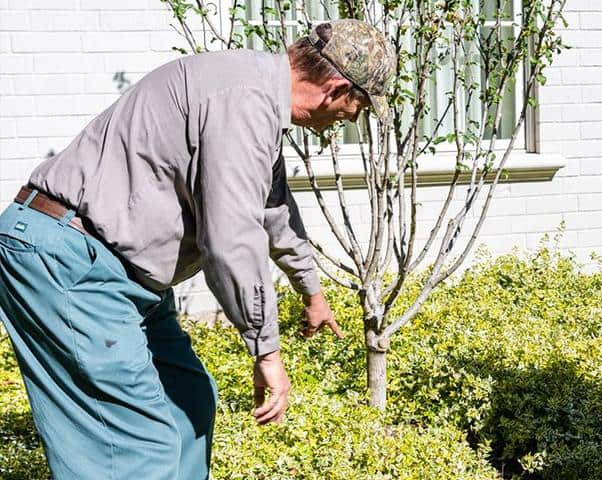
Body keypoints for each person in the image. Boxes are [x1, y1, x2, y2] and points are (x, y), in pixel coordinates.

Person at [0, 19, 394, 480]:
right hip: (68, 260)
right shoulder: (243, 102)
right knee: (137, 447)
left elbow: (272, 208)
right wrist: (266, 352)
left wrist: (311, 292)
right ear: (336, 87)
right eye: (359, 105)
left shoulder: (258, 99)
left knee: (188, 403)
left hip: (119, 274)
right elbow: (231, 241)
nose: (352, 118)